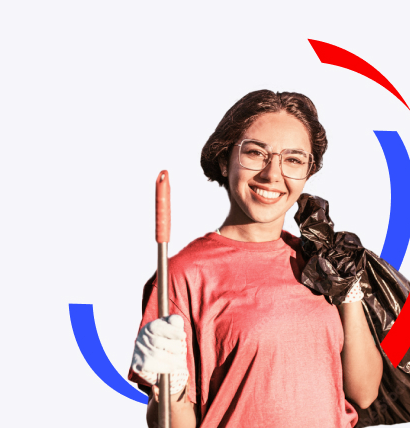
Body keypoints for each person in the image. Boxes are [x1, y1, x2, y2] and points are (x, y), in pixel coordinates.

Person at [129, 90, 383, 428]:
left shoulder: (320, 262)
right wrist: (171, 387)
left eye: (293, 159)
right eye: (255, 153)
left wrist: (349, 294)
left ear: (308, 171)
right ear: (225, 160)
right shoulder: (183, 275)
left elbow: (364, 392)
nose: (272, 174)